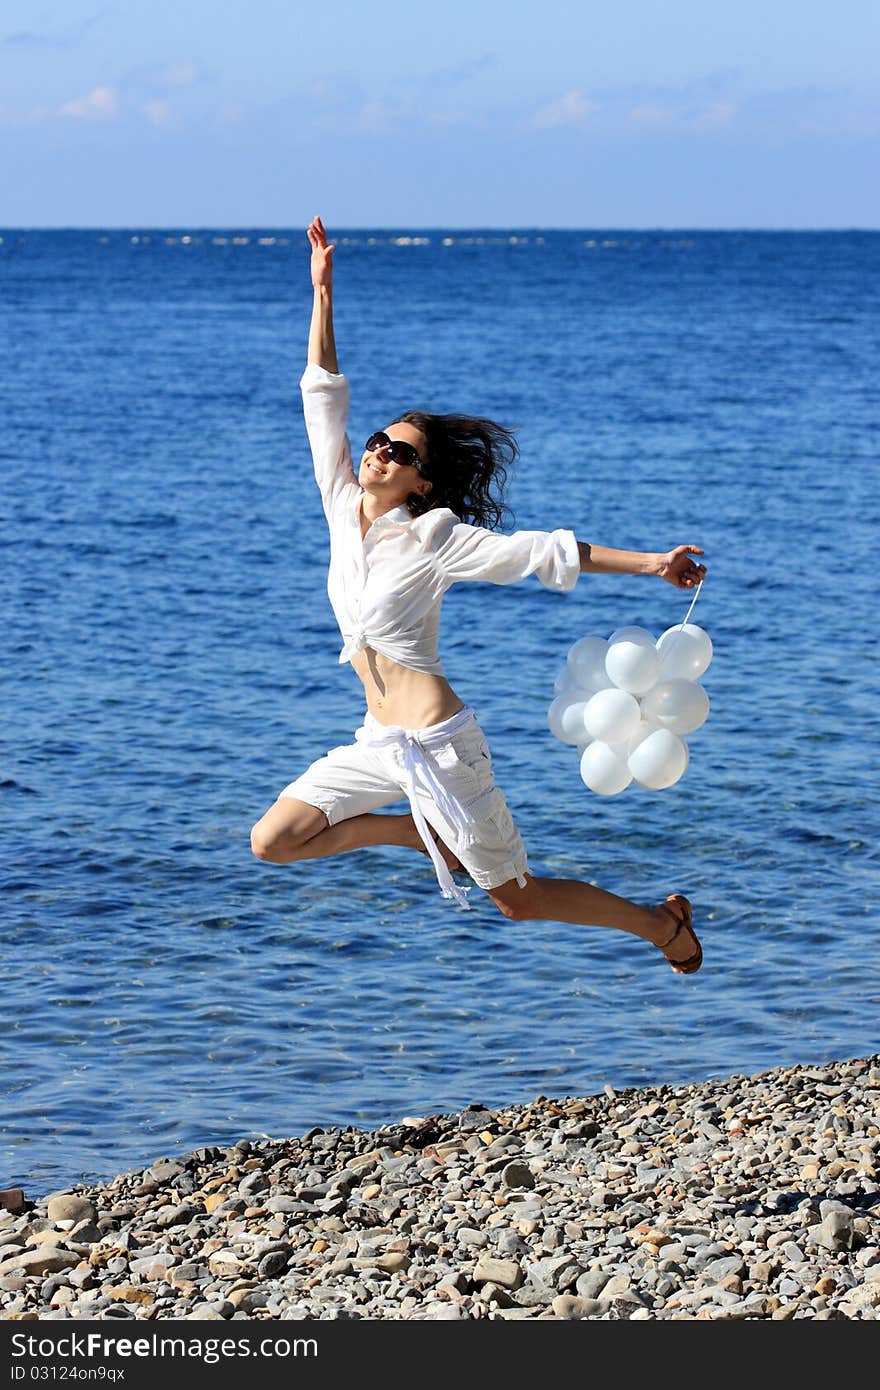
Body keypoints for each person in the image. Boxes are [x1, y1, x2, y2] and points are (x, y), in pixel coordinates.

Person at [251, 216, 707, 974]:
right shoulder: (339, 507)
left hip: (439, 748)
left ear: (421, 481)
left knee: (517, 899)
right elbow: (322, 395)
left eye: (399, 452)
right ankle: (413, 831)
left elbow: (546, 553)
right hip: (378, 743)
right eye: (377, 442)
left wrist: (654, 563)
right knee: (274, 841)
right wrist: (322, 291)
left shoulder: (434, 537)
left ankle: (660, 926)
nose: (377, 451)